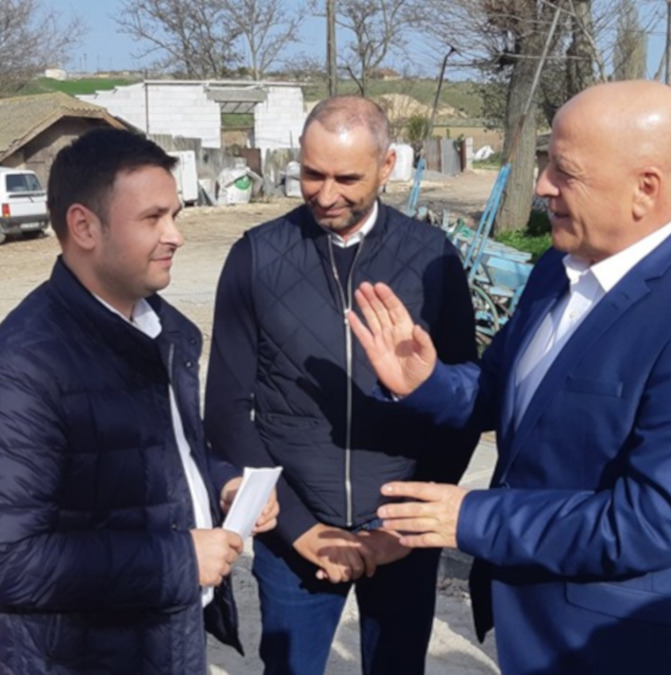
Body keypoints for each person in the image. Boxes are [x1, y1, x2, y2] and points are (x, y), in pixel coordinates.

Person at [346, 81, 671, 674]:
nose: (543, 184)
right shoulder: (558, 268)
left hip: (626, 648)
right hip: (537, 629)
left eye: (564, 171)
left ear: (645, 188)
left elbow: (653, 522)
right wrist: (426, 381)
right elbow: (501, 393)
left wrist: (471, 517)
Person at [0, 128, 277, 675]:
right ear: (84, 226)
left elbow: (163, 452)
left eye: (175, 215)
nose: (175, 236)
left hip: (166, 638)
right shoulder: (20, 370)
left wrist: (220, 483)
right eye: (152, 219)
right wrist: (178, 560)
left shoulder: (160, 331)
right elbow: (7, 560)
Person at [204, 95, 479, 674]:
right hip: (296, 531)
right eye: (312, 174)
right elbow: (226, 409)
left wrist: (402, 529)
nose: (326, 195)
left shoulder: (433, 259)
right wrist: (300, 529)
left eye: (347, 178)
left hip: (402, 528)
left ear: (387, 166)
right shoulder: (255, 257)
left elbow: (463, 404)